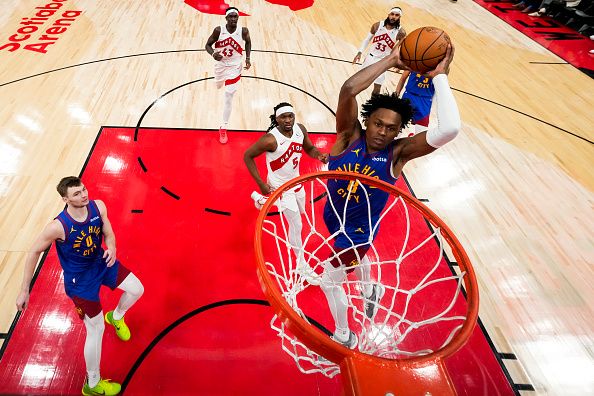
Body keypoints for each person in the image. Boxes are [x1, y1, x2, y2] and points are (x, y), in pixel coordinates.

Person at [321, 43, 460, 348]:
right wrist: (392, 59)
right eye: (378, 124)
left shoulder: (398, 154)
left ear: (399, 132)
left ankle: (345, 335)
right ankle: (372, 289)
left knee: (328, 279)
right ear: (367, 121)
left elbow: (450, 129)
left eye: (391, 128)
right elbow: (348, 90)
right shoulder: (347, 136)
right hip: (333, 217)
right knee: (350, 265)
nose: (383, 131)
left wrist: (441, 77)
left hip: (358, 232)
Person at [16, 177, 144, 396]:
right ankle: (92, 385)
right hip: (80, 281)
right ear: (65, 199)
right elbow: (33, 251)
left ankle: (117, 316)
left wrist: (111, 247)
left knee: (137, 289)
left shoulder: (98, 206)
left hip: (102, 263)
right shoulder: (58, 226)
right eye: (76, 194)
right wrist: (24, 289)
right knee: (96, 330)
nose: (84, 195)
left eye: (84, 189)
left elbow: (108, 233)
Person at [244, 103, 329, 285]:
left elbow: (309, 148)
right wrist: (261, 183)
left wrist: (319, 155)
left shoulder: (300, 130)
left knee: (303, 213)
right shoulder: (270, 140)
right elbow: (247, 156)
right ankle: (301, 264)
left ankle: (261, 201)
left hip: (296, 182)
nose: (288, 120)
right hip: (280, 187)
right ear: (276, 119)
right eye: (283, 117)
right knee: (296, 224)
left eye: (290, 116)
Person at [205, 6, 252, 144]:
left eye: (235, 16)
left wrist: (248, 59)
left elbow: (248, 42)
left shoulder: (243, 31)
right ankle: (220, 82)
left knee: (228, 95)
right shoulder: (219, 30)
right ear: (226, 18)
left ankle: (223, 126)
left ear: (238, 17)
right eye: (230, 16)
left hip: (235, 66)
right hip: (220, 65)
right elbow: (207, 45)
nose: (233, 19)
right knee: (218, 85)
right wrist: (213, 53)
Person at [352, 7, 406, 96]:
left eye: (396, 15)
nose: (393, 17)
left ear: (399, 17)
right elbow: (367, 40)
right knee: (358, 82)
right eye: (392, 14)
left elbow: (396, 50)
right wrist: (359, 52)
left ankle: (373, 108)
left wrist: (396, 62)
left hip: (383, 61)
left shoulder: (401, 32)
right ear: (388, 15)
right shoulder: (377, 25)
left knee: (377, 88)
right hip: (371, 57)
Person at [395, 71, 434, 137]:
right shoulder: (413, 61)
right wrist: (395, 95)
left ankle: (411, 141)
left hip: (425, 100)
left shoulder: (441, 66)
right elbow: (403, 77)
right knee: (397, 126)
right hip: (409, 96)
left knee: (421, 134)